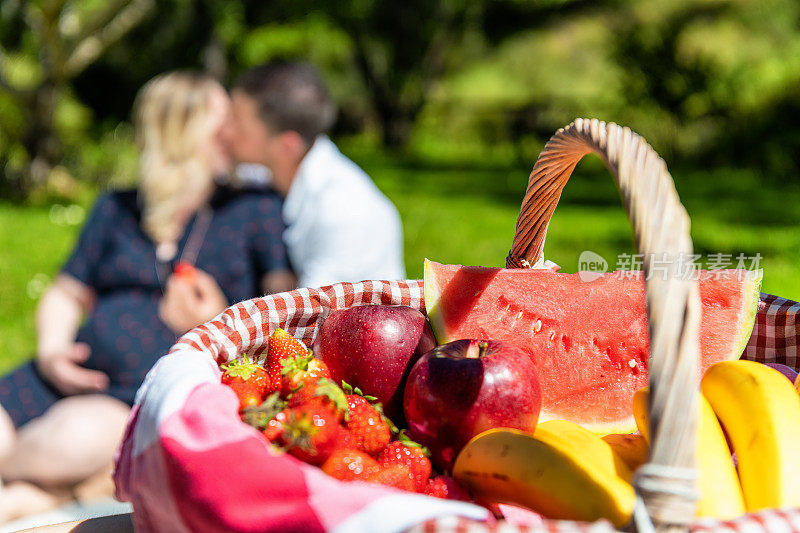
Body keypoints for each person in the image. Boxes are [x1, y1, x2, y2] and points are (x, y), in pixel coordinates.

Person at [0, 72, 293, 522]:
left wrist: (215, 319)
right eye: (222, 121)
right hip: (64, 373)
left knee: (71, 443)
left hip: (132, 394)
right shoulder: (117, 208)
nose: (233, 132)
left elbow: (284, 312)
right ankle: (49, 496)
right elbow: (65, 291)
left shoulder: (252, 210)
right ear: (182, 131)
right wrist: (52, 353)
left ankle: (38, 490)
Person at [229, 60, 406, 289]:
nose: (226, 130)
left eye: (237, 123)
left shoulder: (342, 211)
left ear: (287, 146)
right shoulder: (271, 171)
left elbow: (311, 318)